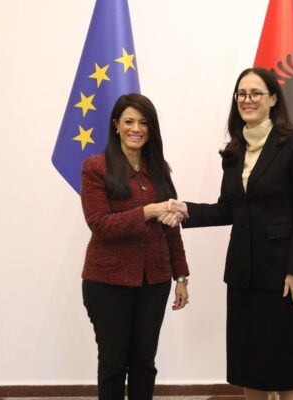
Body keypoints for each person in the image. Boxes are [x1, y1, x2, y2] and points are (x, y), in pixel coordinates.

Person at [163, 67, 293, 400]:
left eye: (255, 93)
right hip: (243, 275)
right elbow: (229, 209)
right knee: (249, 364)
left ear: (273, 99)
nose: (247, 100)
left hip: (284, 275)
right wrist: (186, 210)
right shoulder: (234, 152)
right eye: (241, 94)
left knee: (286, 365)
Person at [80, 93, 189, 400]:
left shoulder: (159, 169)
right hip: (107, 282)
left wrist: (181, 276)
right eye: (129, 121)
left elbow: (172, 228)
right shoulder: (95, 167)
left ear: (151, 129)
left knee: (144, 361)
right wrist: (148, 211)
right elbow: (100, 225)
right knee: (113, 363)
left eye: (143, 123)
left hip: (154, 281)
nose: (136, 129)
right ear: (116, 125)